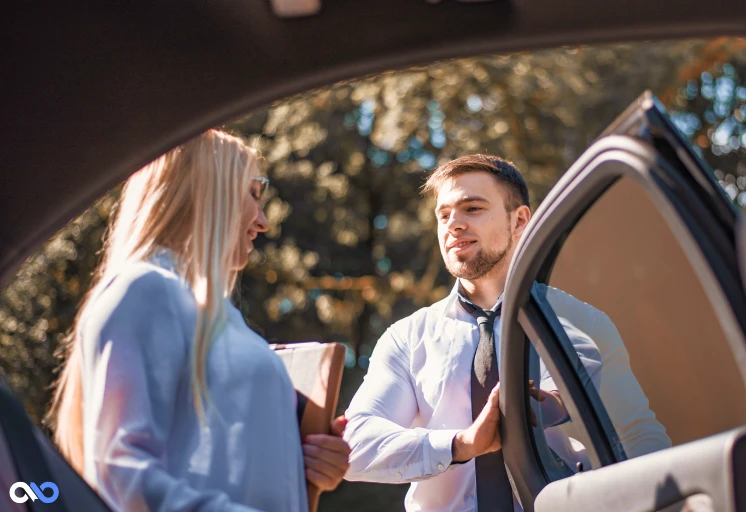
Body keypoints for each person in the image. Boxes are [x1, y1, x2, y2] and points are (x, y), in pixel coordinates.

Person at [343, 154, 670, 511]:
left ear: (519, 221)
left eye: (472, 208)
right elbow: (355, 444)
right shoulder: (406, 338)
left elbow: (640, 440)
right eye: (444, 214)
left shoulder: (585, 324)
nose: (453, 224)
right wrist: (461, 444)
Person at [48, 129, 350, 511]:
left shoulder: (221, 318)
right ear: (207, 190)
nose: (263, 222)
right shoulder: (144, 290)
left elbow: (221, 462)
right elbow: (117, 474)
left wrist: (306, 464)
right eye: (254, 194)